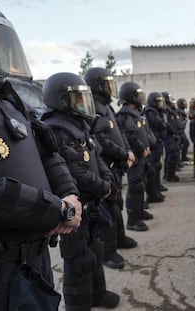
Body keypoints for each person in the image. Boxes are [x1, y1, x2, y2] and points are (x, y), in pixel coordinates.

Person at [0, 1, 82, 310]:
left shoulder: (8, 101)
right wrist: (58, 210)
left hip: (35, 264)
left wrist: (69, 195)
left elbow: (49, 152)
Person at [41, 72, 120, 309]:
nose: (84, 104)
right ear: (62, 100)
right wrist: (103, 186)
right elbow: (76, 171)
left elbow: (97, 157)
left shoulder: (79, 125)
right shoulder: (57, 129)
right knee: (79, 262)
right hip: (76, 207)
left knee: (95, 251)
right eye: (78, 98)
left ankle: (97, 294)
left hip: (93, 204)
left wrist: (107, 181)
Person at [83, 67, 138, 270]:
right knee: (108, 210)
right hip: (106, 166)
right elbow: (101, 139)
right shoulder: (95, 108)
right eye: (106, 83)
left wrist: (128, 151)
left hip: (116, 166)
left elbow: (119, 133)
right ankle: (108, 253)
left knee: (116, 206)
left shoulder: (108, 107)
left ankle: (120, 238)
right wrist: (123, 153)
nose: (110, 88)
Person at [116, 82, 153, 232]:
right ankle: (132, 220)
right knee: (135, 187)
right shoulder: (125, 115)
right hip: (136, 156)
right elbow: (130, 135)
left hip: (142, 156)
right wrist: (141, 148)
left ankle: (139, 212)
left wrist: (147, 145)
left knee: (141, 185)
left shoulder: (135, 113)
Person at [176, 98, 191, 163]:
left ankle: (183, 157)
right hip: (179, 131)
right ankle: (179, 159)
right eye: (184, 103)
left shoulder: (182, 111)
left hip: (182, 131)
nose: (185, 104)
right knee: (179, 146)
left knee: (186, 143)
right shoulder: (179, 112)